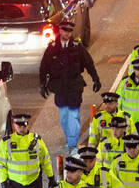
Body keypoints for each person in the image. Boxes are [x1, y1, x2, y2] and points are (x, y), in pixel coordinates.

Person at [39, 20, 101, 152]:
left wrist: (96, 79)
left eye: (69, 31)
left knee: (73, 114)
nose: (67, 33)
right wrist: (42, 84)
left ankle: (72, 144)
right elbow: (44, 67)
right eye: (65, 30)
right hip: (59, 87)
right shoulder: (52, 48)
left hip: (74, 86)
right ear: (60, 31)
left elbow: (89, 63)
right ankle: (70, 138)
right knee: (65, 116)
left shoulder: (77, 47)